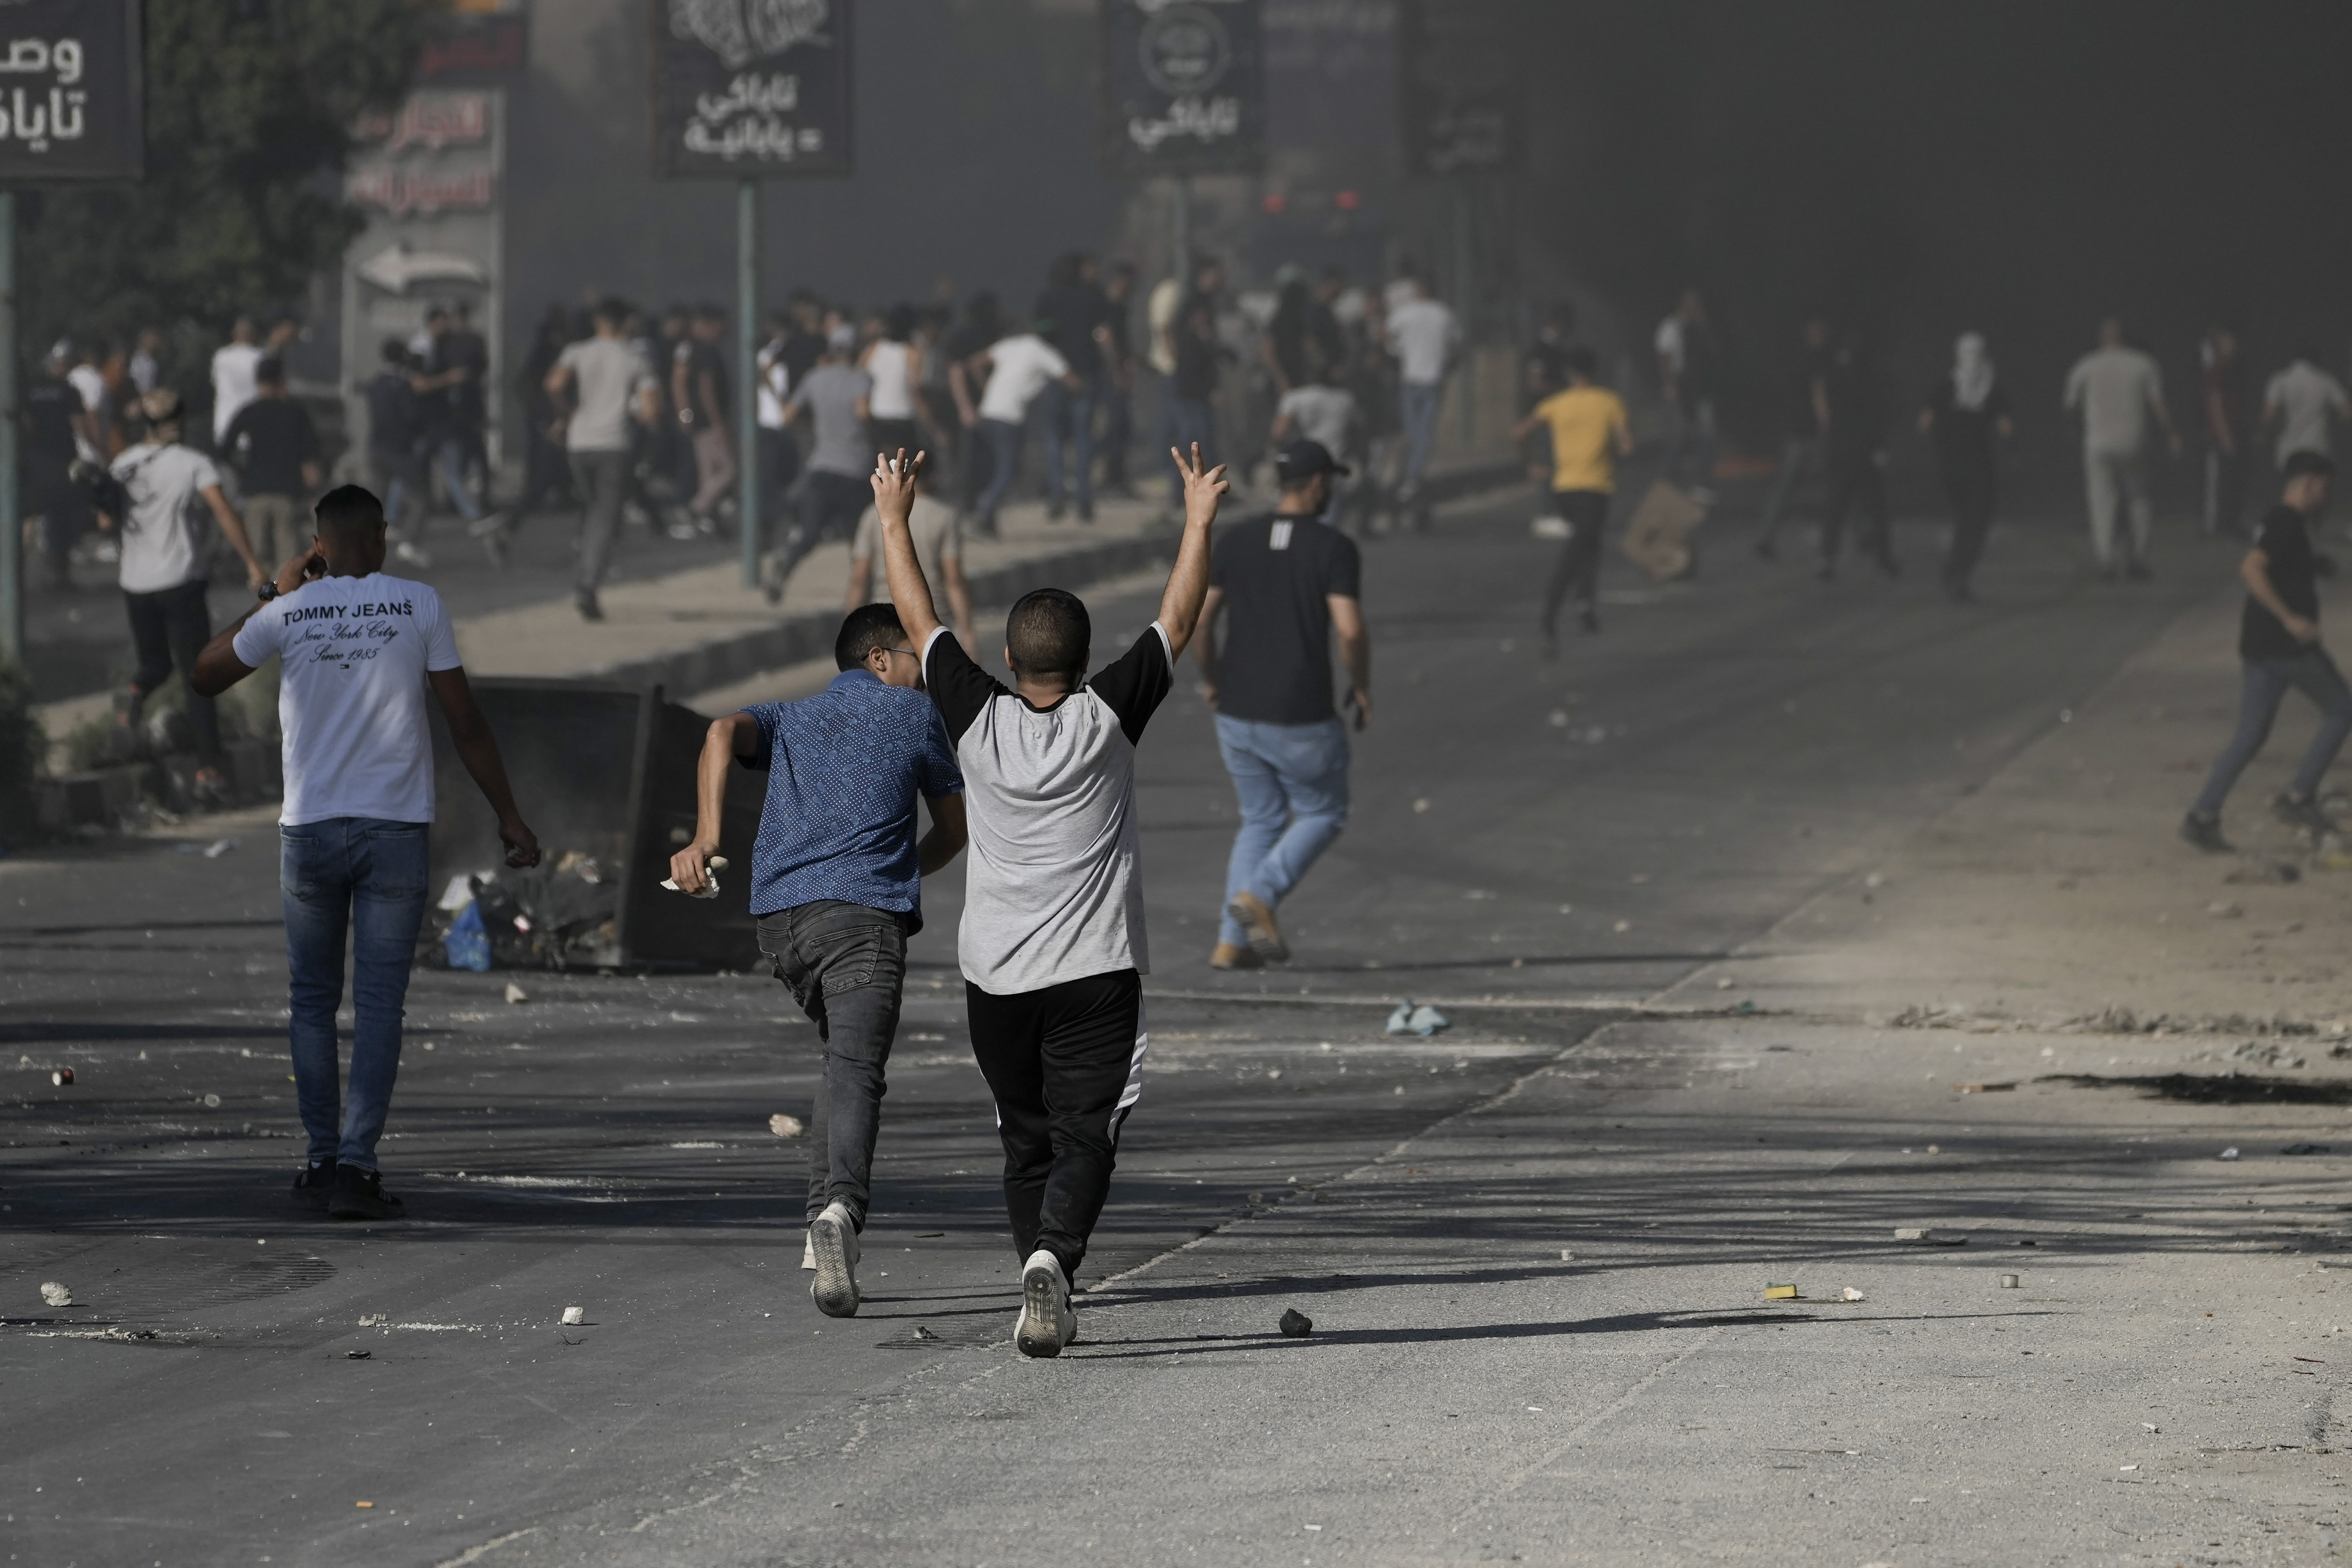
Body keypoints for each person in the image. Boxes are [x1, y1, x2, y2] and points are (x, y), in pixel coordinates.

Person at [875, 441, 1226, 1359]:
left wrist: (893, 518)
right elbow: (1177, 619)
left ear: (1003, 657)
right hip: (1097, 974)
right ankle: (1054, 1266)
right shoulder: (1108, 719)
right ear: (1084, 662)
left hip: (996, 977)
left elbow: (918, 620)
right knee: (1088, 1134)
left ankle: (1038, 1263)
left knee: (1025, 1135)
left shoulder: (976, 717)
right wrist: (1197, 520)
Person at [190, 484, 541, 1220]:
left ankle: (320, 1159)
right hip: (393, 832)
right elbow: (466, 722)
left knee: (312, 1003)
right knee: (380, 1005)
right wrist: (508, 814)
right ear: (380, 535)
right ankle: (356, 1167)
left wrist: (269, 592)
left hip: (309, 831)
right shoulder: (419, 603)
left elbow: (205, 673)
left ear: (318, 544)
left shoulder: (286, 611)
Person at [667, 604, 966, 1316]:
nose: (923, 675)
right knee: (860, 1066)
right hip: (862, 919)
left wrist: (706, 837)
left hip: (782, 925)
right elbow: (957, 828)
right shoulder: (916, 716)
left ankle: (817, 1226)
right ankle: (840, 1213)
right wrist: (896, 873)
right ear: (880, 659)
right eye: (915, 659)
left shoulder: (791, 714)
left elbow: (717, 732)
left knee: (841, 1057)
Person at [1193, 439, 1368, 972]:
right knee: (1324, 811)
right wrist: (1362, 686)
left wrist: (1213, 679)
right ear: (1317, 483)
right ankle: (1261, 896)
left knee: (1262, 818)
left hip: (1237, 711)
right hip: (1300, 712)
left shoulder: (1236, 540)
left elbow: (1201, 622)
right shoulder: (1334, 547)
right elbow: (1350, 629)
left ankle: (1232, 941)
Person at [94, 388, 268, 799]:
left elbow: (105, 521)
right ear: (182, 421)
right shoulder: (193, 464)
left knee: (156, 662)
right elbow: (223, 511)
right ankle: (210, 772)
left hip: (136, 583)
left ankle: (135, 692)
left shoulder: (124, 464)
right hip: (181, 581)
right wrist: (252, 563)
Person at [2182, 451, 2351, 851]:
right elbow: (2252, 569)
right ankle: (2299, 797)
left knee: (2251, 734)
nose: (2326, 497)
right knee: (2343, 708)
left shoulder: (2278, 522)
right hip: (2286, 647)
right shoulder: (2287, 524)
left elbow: (2281, 564)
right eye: (2324, 489)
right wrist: (2291, 618)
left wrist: (2317, 565)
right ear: (2308, 484)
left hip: (2259, 646)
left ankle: (2202, 817)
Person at [545, 297, 661, 621]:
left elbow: (554, 384)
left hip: (580, 443)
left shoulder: (576, 352)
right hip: (614, 444)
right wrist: (639, 415)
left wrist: (567, 414)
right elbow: (651, 411)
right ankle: (587, 583)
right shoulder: (635, 358)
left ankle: (587, 561)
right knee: (605, 517)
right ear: (626, 322)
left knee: (593, 508)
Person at [1514, 346, 1634, 646]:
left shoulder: (1556, 404)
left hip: (1564, 488)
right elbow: (1627, 445)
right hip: (1596, 487)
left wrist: (1533, 465)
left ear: (1570, 374)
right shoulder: (1610, 402)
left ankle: (1586, 606)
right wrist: (1614, 452)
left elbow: (1519, 433)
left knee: (1591, 544)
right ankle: (1553, 605)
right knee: (1581, 546)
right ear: (1594, 372)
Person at [2063, 318, 2179, 580]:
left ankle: (2106, 560)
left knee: (2101, 501)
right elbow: (2158, 403)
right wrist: (2172, 432)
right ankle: (2138, 559)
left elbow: (2070, 405)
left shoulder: (2086, 365)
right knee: (2139, 499)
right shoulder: (2143, 363)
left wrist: (2076, 433)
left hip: (2098, 443)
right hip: (2133, 441)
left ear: (2101, 338)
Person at [762, 327, 872, 601]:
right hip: (855, 470)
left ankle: (784, 568)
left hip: (821, 467)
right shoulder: (862, 379)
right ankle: (861, 598)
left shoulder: (814, 379)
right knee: (858, 542)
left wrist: (819, 424)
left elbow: (787, 416)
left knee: (810, 533)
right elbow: (863, 413)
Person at [1918, 332, 2014, 602]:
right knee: (1977, 523)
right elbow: (2007, 428)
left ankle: (1954, 572)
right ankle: (1959, 574)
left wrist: (1943, 443)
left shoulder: (1947, 385)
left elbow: (1924, 423)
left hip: (1950, 465)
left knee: (1963, 520)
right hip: (1979, 465)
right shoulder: (1991, 387)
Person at [844, 457, 974, 649]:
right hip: (932, 622)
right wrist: (968, 632)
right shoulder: (944, 516)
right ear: (932, 478)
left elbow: (859, 579)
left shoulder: (873, 515)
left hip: (884, 620)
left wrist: (851, 635)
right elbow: (953, 580)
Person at [969, 318, 1079, 534]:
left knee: (998, 469)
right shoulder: (1043, 351)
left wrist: (987, 388)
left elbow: (975, 363)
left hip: (988, 413)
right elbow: (1071, 380)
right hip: (1009, 417)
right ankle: (984, 511)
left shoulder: (1012, 345)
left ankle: (988, 519)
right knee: (1009, 470)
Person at [222, 356, 322, 573]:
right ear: (281, 381)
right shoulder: (295, 412)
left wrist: (241, 470)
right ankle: (284, 597)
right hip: (287, 490)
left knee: (257, 553)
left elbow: (225, 448)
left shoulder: (249, 411)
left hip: (255, 489)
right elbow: (311, 452)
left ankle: (262, 596)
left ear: (257, 381)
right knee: (286, 551)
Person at [1818, 328, 1897, 581]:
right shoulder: (1868, 380)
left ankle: (1826, 560)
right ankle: (1884, 559)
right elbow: (1874, 417)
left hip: (1838, 448)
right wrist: (1880, 448)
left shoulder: (1835, 376)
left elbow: (1825, 404)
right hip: (1863, 451)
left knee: (1835, 510)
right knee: (1877, 508)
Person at [1035, 253, 1108, 521]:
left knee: (1054, 438)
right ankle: (1084, 500)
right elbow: (1101, 334)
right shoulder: (1091, 300)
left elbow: (1041, 332)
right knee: (1083, 439)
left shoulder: (1047, 300)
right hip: (1086, 372)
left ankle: (1057, 496)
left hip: (1056, 375)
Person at [1756, 317, 1832, 559]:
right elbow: (1819, 397)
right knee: (1840, 482)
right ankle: (1863, 535)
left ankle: (1766, 539)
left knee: (1785, 488)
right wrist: (1827, 426)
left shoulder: (1796, 361)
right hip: (1812, 434)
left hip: (1796, 433)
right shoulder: (1820, 361)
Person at [1385, 275, 1459, 500]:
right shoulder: (1444, 313)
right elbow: (1457, 345)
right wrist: (1446, 364)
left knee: (1410, 430)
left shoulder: (1404, 313)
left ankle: (1407, 474)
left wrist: (1397, 351)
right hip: (1434, 378)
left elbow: (1387, 336)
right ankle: (1413, 476)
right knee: (1425, 431)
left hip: (1410, 377)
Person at [362, 340, 430, 567]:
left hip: (376, 446)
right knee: (418, 497)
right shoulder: (403, 385)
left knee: (375, 498)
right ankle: (410, 544)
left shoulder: (375, 384)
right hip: (401, 449)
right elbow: (413, 417)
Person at [26, 345, 86, 590]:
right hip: (62, 458)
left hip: (36, 457)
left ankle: (28, 573)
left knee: (33, 514)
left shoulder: (30, 391)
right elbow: (79, 423)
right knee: (62, 515)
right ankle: (60, 573)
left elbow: (25, 423)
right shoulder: (68, 391)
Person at [674, 303, 737, 533]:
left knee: (709, 473)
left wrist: (684, 413)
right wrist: (718, 422)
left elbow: (678, 381)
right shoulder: (705, 351)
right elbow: (706, 388)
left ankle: (709, 518)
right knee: (728, 470)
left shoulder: (687, 348)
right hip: (708, 421)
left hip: (697, 421)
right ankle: (696, 509)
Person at [1655, 288, 1722, 499]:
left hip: (1699, 387)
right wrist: (1670, 384)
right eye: (1690, 303)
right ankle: (1671, 480)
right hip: (1680, 386)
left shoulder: (1700, 327)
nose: (1694, 307)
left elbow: (1713, 352)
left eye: (1696, 303)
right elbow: (1665, 357)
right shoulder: (1671, 326)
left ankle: (1701, 483)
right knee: (1679, 435)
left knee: (1705, 434)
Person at [2264, 349, 2350, 472]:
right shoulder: (2326, 380)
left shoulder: (2280, 380)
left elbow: (2270, 416)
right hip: (2318, 447)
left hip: (2288, 451)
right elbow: (2346, 412)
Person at [2202, 327, 2252, 537]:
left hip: (2232, 429)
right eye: (2228, 341)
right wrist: (2224, 434)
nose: (2233, 345)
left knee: (2234, 480)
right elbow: (2214, 401)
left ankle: (2231, 523)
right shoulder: (2219, 368)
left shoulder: (2231, 367)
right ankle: (2220, 526)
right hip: (2222, 433)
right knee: (2222, 481)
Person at [860, 304, 924, 462]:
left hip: (876, 418)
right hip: (902, 419)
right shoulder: (913, 353)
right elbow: (915, 390)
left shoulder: (872, 350)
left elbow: (859, 380)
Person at [1098, 261, 1139, 496]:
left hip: (1119, 372)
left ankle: (1116, 475)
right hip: (1112, 375)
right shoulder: (1109, 306)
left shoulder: (1120, 307)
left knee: (1122, 426)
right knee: (1116, 425)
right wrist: (1118, 371)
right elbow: (1107, 338)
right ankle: (1112, 477)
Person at [210, 316, 263, 447]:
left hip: (225, 425)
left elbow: (215, 383)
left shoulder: (221, 356)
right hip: (254, 427)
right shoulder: (261, 357)